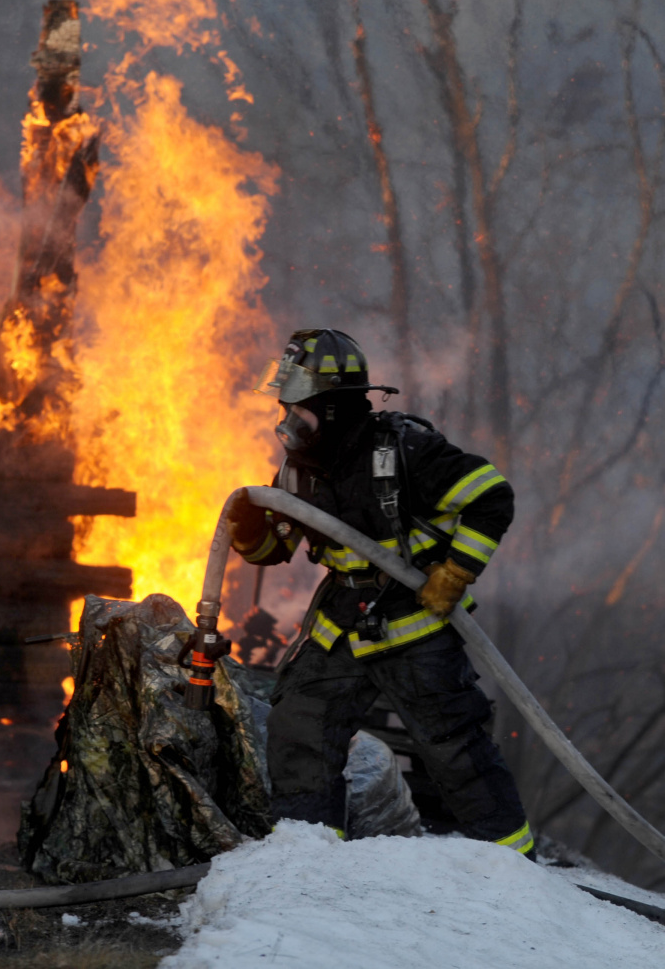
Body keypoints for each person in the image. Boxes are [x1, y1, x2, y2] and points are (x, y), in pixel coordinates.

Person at [227, 328, 534, 857]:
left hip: (413, 620)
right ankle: (308, 851)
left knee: (453, 749)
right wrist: (246, 524)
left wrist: (456, 572)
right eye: (284, 406)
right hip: (343, 622)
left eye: (297, 407)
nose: (286, 419)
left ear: (335, 405)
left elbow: (490, 496)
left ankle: (514, 865)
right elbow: (271, 550)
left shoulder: (404, 450)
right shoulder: (301, 471)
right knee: (300, 724)